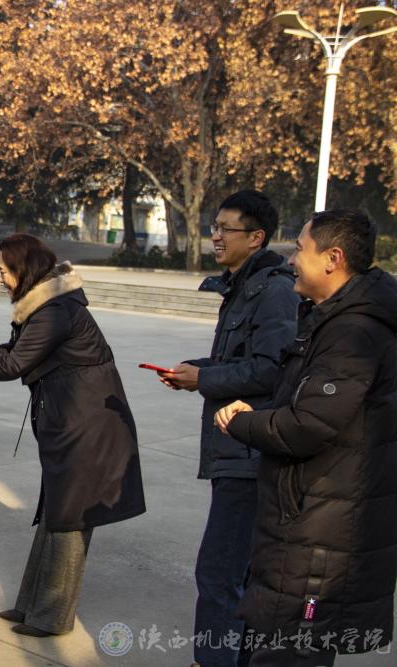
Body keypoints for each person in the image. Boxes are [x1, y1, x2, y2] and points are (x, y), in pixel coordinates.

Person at [0, 233, 146, 637]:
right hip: (72, 424)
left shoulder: (56, 310)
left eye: (4, 271)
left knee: (70, 518)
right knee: (55, 512)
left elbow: (15, 363)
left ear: (23, 269)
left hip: (88, 429)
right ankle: (33, 605)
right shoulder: (45, 305)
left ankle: (52, 617)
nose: (0, 278)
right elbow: (15, 350)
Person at [215, 209, 397, 666]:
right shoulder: (331, 318)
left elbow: (308, 426)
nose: (291, 259)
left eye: (300, 249)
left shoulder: (354, 332)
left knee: (291, 652)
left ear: (333, 259)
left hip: (320, 536)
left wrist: (240, 422)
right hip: (310, 520)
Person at [157, 190, 299, 667]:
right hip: (235, 449)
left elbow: (272, 369)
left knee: (220, 573)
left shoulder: (274, 291)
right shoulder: (244, 285)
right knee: (237, 574)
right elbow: (240, 359)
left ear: (256, 237)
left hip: (250, 453)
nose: (215, 236)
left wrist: (205, 379)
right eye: (213, 227)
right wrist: (197, 370)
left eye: (225, 229)